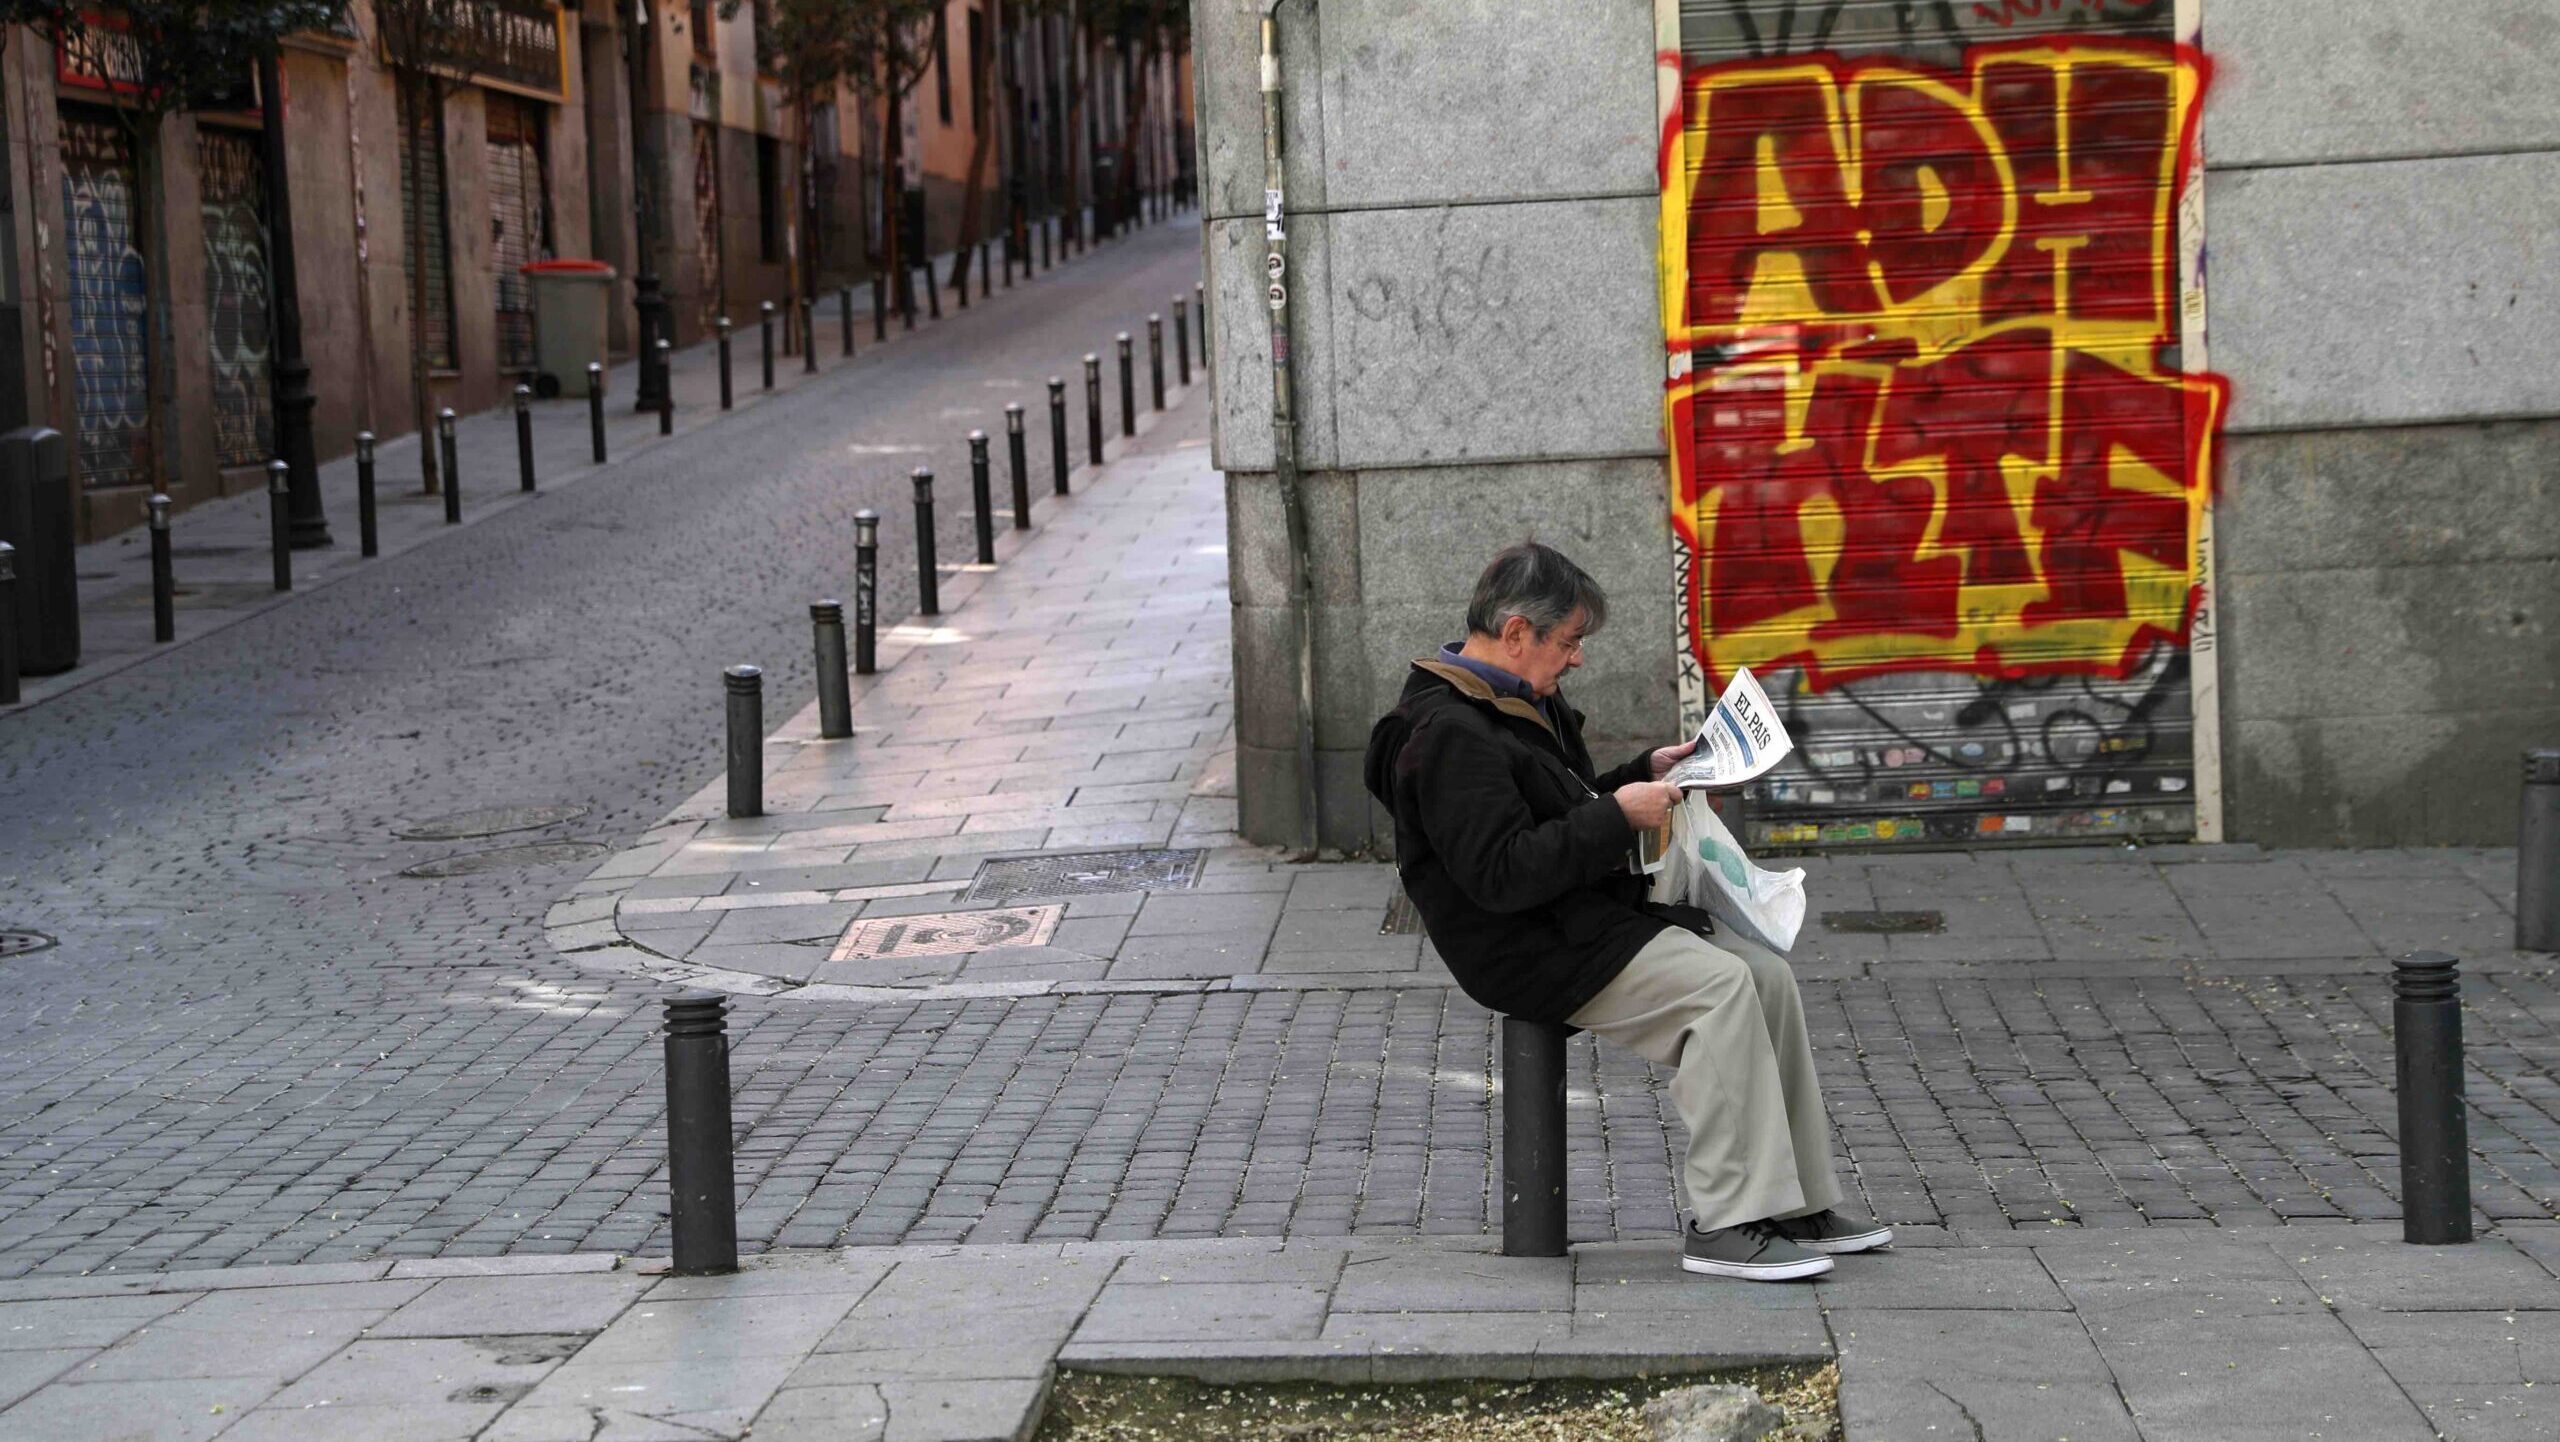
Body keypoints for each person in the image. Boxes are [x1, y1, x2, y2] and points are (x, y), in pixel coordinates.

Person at [1361, 542, 1889, 1280]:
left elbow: (1558, 806)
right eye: (1569, 642)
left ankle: (1792, 1198)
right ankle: (1730, 1218)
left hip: (1575, 917)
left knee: (1765, 976)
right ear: (1517, 634)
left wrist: (1640, 776)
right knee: (1721, 989)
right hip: (1524, 944)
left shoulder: (1513, 699)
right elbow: (1501, 874)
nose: (1576, 660)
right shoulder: (1449, 732)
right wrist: (1619, 814)